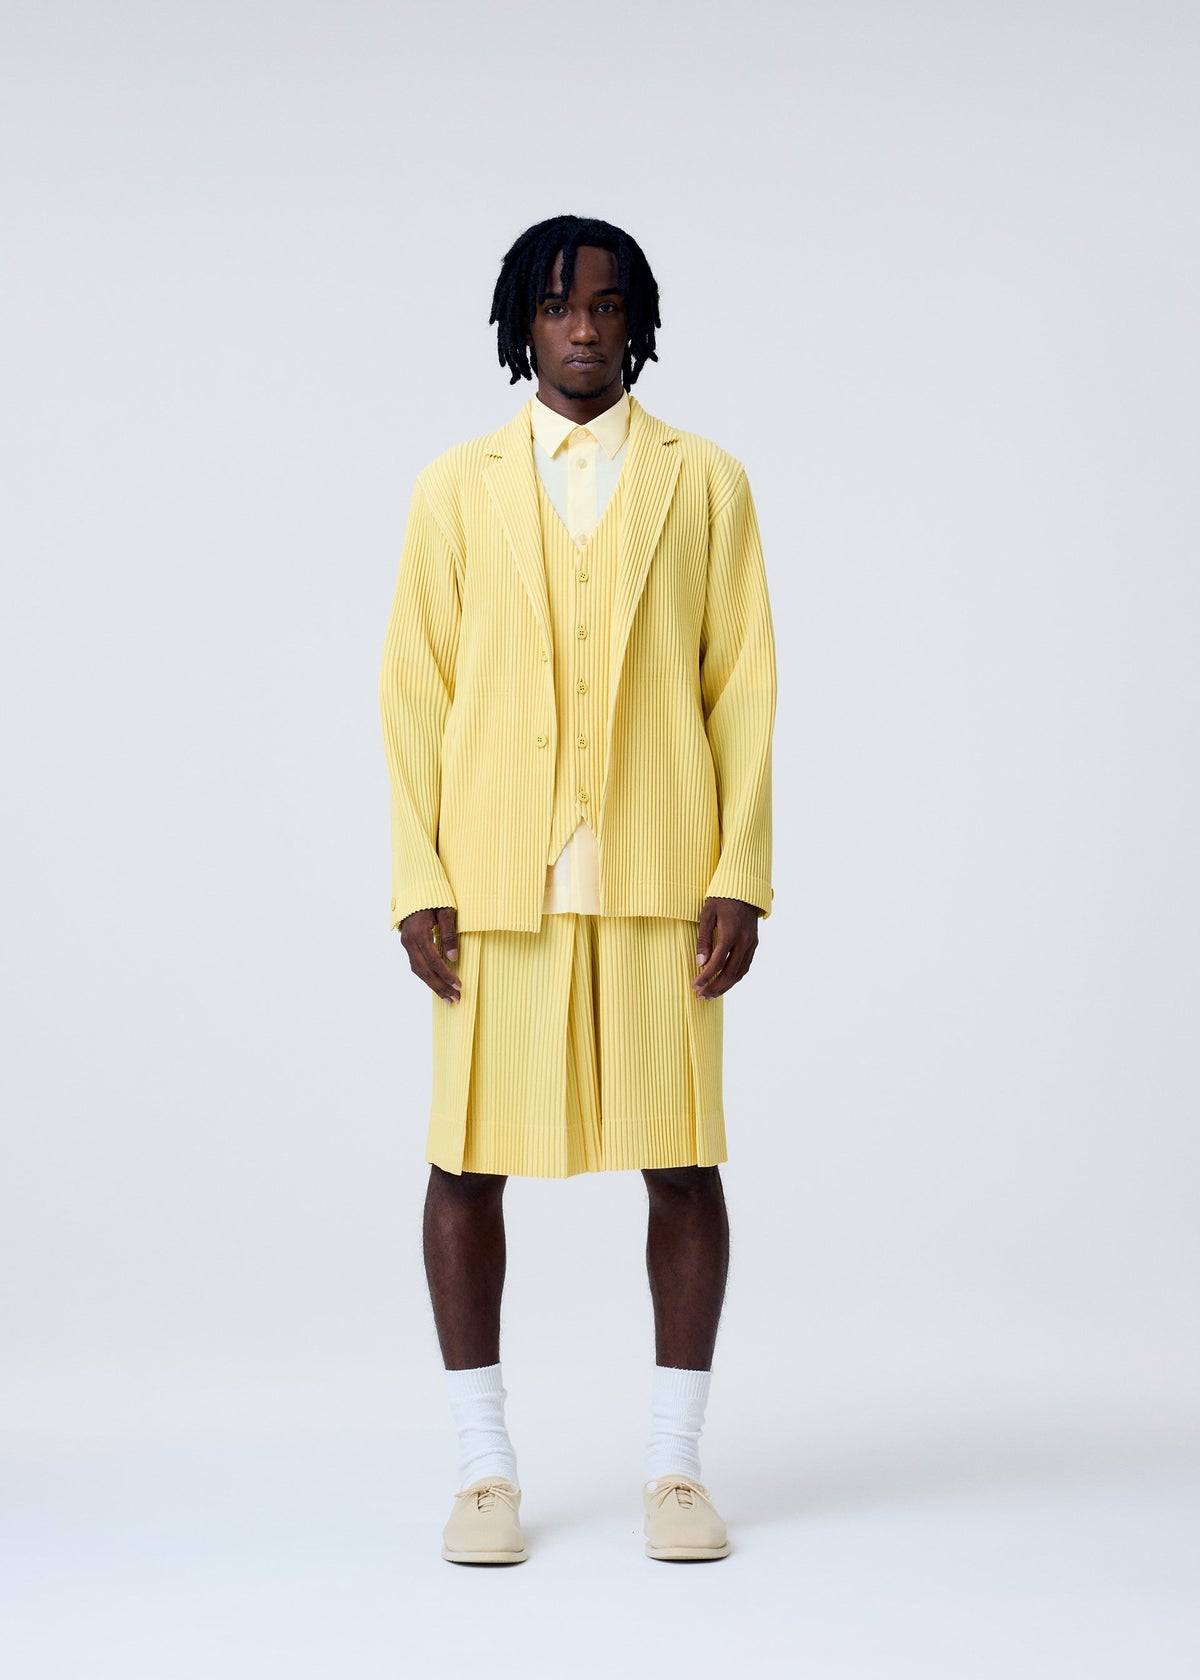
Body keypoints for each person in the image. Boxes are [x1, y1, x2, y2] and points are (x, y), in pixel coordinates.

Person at [378, 214, 777, 1564]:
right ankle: (484, 1473)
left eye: (609, 306)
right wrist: (417, 874)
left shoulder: (707, 482)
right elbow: (412, 692)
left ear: (637, 322)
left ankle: (675, 1472)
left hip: (666, 881)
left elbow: (746, 687)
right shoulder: (457, 488)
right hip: (496, 879)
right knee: (465, 1161)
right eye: (559, 306)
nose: (586, 328)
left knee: (683, 1160)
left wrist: (742, 873)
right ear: (522, 324)